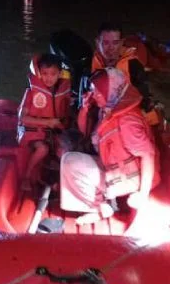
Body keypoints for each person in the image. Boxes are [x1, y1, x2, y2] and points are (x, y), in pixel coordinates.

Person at [60, 68, 159, 225]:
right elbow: (83, 130)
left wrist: (143, 193)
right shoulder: (108, 109)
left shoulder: (127, 121)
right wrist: (85, 109)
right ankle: (102, 203)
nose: (95, 95)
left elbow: (148, 154)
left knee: (70, 162)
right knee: (66, 150)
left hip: (129, 177)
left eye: (99, 91)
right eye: (94, 91)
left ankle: (98, 208)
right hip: (112, 166)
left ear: (112, 91)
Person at [18, 54, 72, 191]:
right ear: (39, 73)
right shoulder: (31, 91)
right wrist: (48, 123)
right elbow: (22, 118)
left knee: (65, 150)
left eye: (53, 74)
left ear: (60, 73)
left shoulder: (64, 90)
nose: (49, 78)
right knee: (43, 149)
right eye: (45, 74)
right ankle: (26, 177)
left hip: (53, 132)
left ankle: (61, 181)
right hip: (32, 133)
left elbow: (66, 114)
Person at [90, 23, 159, 125]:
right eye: (105, 43)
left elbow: (143, 97)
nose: (110, 48)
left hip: (127, 117)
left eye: (115, 43)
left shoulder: (133, 65)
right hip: (100, 114)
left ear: (122, 43)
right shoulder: (90, 63)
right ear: (97, 42)